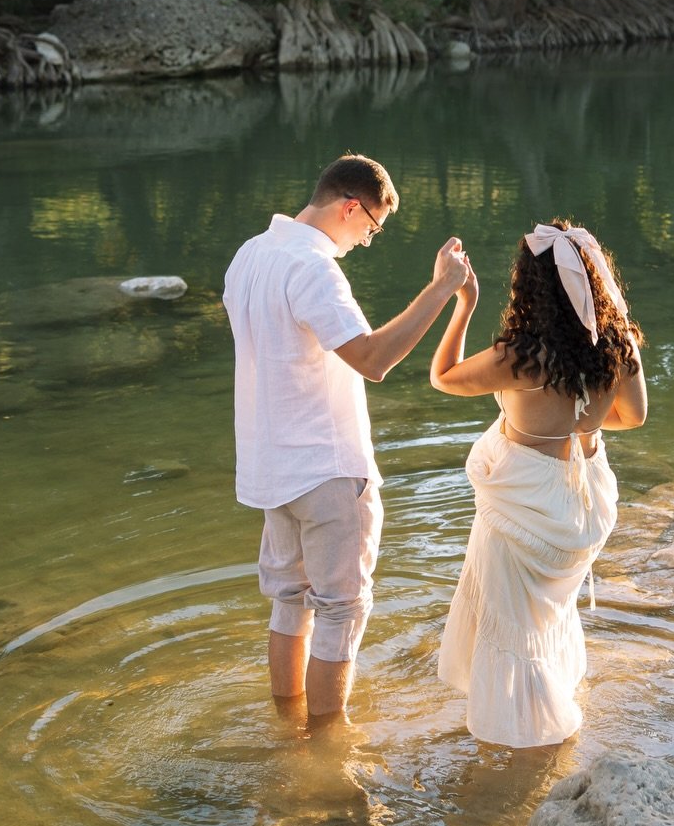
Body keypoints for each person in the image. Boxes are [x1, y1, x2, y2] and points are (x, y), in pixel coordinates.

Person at [224, 153, 469, 717]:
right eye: (372, 228)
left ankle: (288, 729)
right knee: (341, 610)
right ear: (351, 207)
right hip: (326, 467)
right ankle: (325, 750)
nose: (366, 241)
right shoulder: (313, 266)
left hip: (271, 467)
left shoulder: (249, 254)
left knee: (290, 602)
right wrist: (441, 289)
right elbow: (373, 359)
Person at [429, 220, 647, 748]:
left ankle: (523, 736)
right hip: (583, 504)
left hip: (526, 503)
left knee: (514, 627)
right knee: (548, 616)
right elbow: (634, 416)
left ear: (529, 285)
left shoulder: (520, 358)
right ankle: (553, 705)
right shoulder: (618, 345)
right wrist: (580, 422)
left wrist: (464, 304)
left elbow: (442, 376)